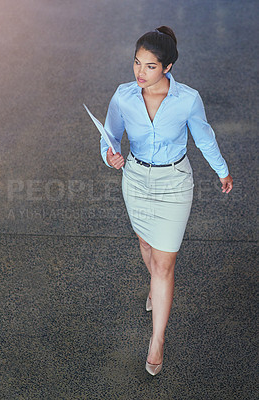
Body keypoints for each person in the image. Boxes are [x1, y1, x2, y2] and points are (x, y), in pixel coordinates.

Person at [100, 26, 233, 376]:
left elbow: (204, 138)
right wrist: (109, 156)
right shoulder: (123, 96)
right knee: (146, 246)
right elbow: (110, 136)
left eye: (150, 67)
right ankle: (155, 287)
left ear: (168, 67)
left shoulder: (187, 99)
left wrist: (222, 170)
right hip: (136, 180)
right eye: (136, 63)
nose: (140, 73)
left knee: (164, 264)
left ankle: (157, 338)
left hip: (174, 183)